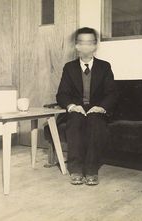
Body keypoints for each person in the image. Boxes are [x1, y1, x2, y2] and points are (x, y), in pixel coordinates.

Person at [56, 27, 118, 185]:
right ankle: (75, 169)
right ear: (76, 46)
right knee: (75, 121)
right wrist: (71, 106)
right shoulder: (69, 68)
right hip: (77, 109)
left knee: (95, 121)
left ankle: (91, 170)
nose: (86, 47)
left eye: (90, 43)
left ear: (95, 45)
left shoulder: (105, 67)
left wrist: (101, 107)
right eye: (81, 43)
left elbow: (111, 93)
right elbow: (62, 94)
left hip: (96, 110)